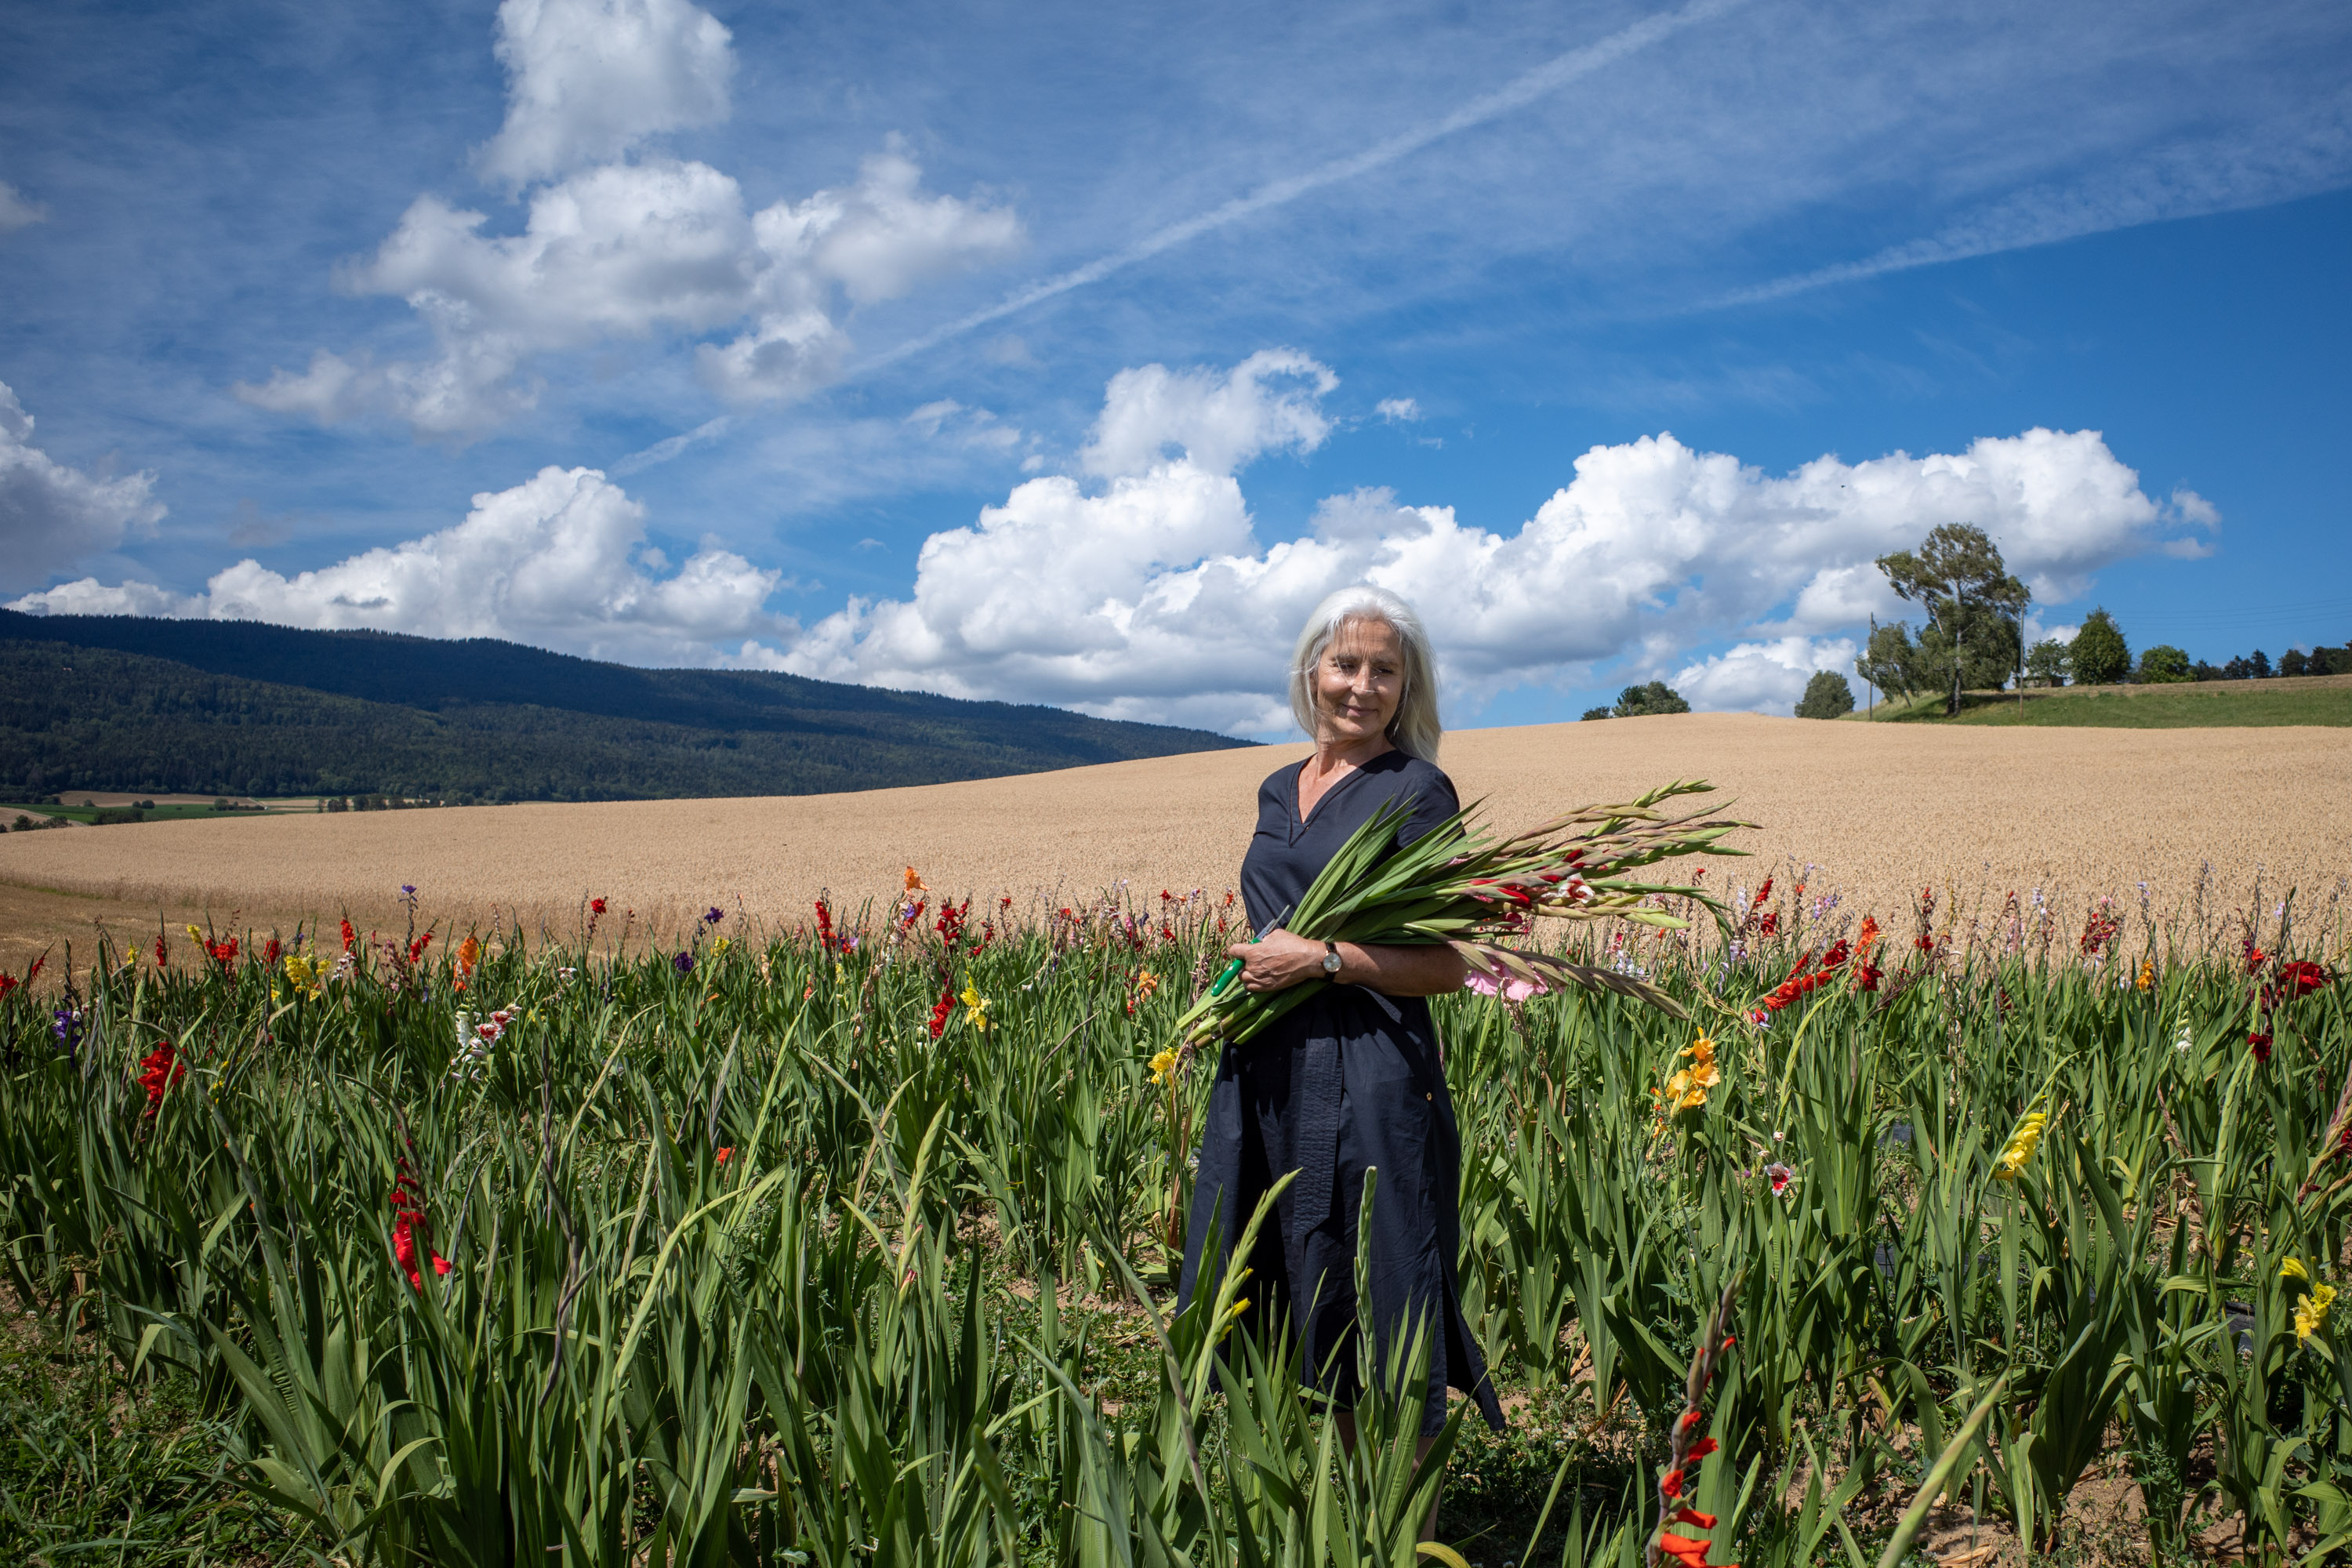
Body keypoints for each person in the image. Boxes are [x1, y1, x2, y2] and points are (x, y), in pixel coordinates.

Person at [1176, 583, 1506, 1504]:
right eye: (1345, 664)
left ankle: (1409, 1523)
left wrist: (1323, 958)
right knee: (1297, 1275)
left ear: (1410, 687)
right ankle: (1341, 1503)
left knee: (1383, 1285)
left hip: (1368, 1070)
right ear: (1310, 671)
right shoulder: (1278, 785)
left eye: (1384, 670)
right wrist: (1241, 982)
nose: (1361, 685)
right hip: (1268, 1065)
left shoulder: (1414, 790)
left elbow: (1456, 960)